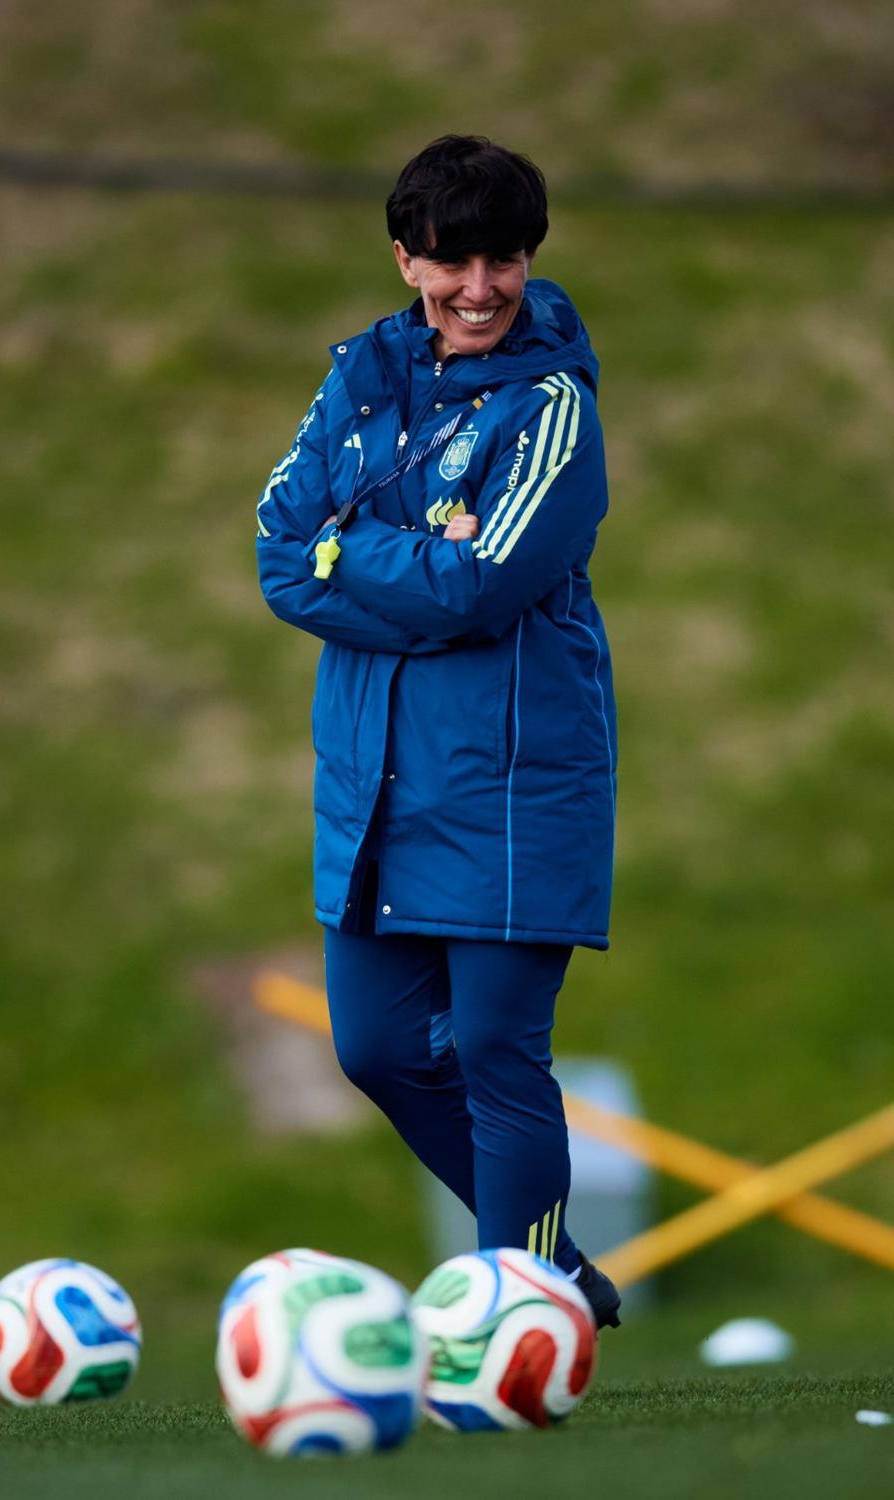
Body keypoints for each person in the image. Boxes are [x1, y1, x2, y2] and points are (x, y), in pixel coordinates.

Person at [255, 136, 621, 1328]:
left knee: (497, 1054)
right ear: (405, 259)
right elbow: (279, 556)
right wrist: (407, 565)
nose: (479, 287)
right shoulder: (362, 378)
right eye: (451, 260)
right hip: (374, 785)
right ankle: (552, 1267)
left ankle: (514, 1318)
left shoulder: (552, 407)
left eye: (502, 259)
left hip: (512, 782)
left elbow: (481, 585)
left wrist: (353, 555)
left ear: (529, 259)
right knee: (373, 1048)